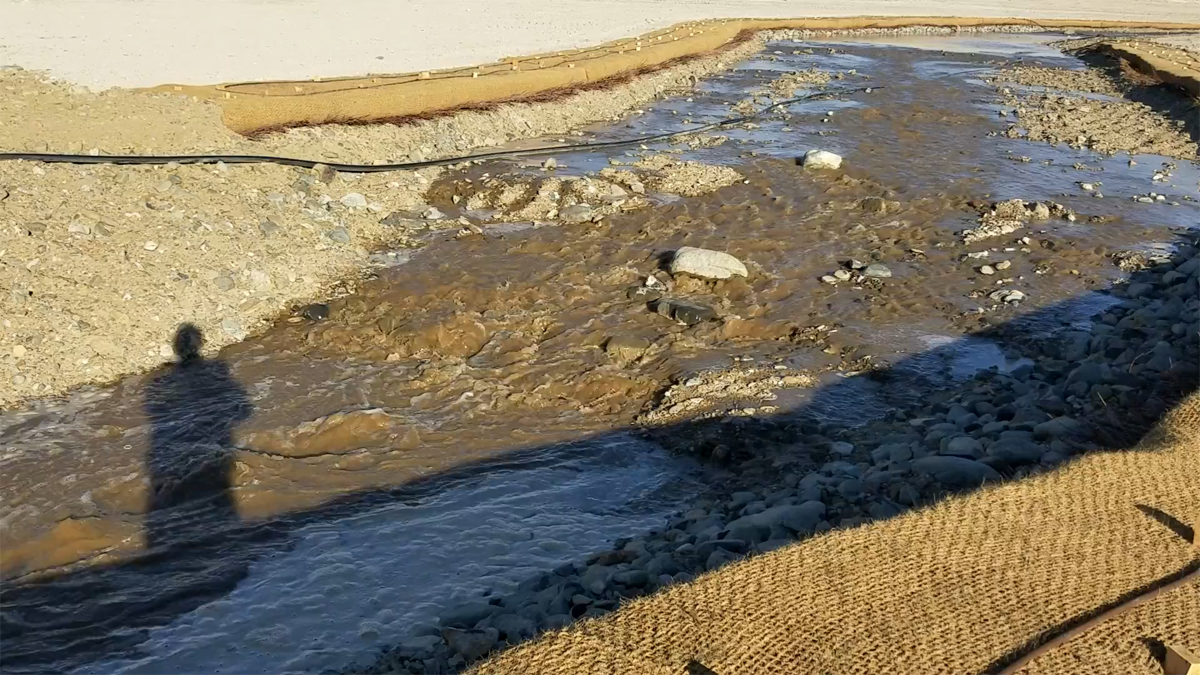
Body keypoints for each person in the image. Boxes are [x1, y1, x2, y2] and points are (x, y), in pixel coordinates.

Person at [142, 324, 252, 550]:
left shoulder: (160, 381)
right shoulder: (219, 371)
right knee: (214, 485)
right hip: (215, 442)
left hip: (165, 444)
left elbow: (152, 409)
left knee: (177, 482)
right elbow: (245, 411)